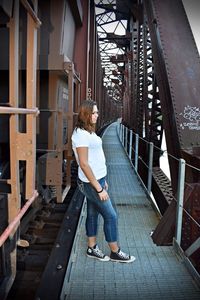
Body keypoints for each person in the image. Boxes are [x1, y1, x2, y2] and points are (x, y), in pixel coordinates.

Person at [71, 99, 135, 263]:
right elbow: (84, 164)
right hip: (91, 183)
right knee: (111, 216)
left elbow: (94, 158)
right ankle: (115, 251)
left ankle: (92, 248)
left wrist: (102, 180)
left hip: (98, 179)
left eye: (97, 112)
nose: (97, 115)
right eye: (94, 112)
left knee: (92, 214)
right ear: (86, 114)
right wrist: (99, 188)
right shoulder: (80, 134)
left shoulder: (89, 131)